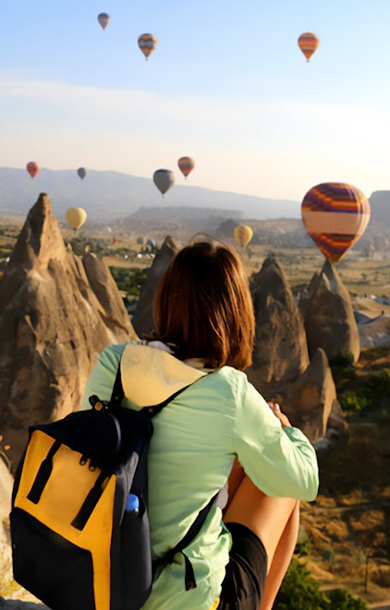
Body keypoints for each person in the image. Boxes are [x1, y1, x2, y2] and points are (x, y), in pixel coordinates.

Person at [80, 240, 319, 610]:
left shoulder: (113, 363)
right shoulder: (229, 391)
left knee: (242, 462)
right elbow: (304, 481)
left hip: (99, 587)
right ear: (237, 312)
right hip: (181, 600)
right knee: (280, 482)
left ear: (165, 299)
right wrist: (286, 431)